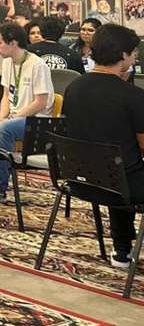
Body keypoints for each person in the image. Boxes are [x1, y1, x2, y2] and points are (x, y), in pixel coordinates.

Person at [61, 23, 144, 268]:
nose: (135, 57)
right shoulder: (132, 95)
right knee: (125, 167)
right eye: (134, 52)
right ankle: (125, 246)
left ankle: (122, 249)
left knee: (118, 164)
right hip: (122, 187)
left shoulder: (73, 87)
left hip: (80, 180)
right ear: (123, 55)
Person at [0, 23, 54, 203]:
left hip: (35, 121)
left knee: (4, 129)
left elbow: (40, 102)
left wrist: (9, 119)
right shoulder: (7, 62)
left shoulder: (37, 65)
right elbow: (6, 96)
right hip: (11, 116)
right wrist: (1, 117)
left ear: (13, 43)